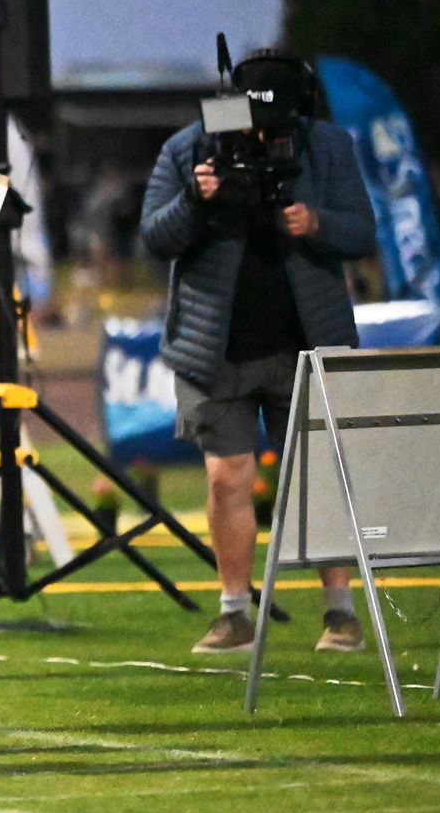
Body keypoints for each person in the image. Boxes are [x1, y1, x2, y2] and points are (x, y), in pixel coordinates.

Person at [138, 47, 377, 655]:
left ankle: (340, 612)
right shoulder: (190, 147)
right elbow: (154, 237)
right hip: (215, 346)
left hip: (307, 337)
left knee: (321, 478)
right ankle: (235, 612)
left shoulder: (325, 146)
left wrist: (314, 223)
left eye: (279, 127)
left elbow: (362, 231)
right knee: (226, 479)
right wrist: (197, 199)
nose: (267, 137)